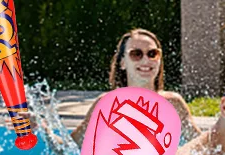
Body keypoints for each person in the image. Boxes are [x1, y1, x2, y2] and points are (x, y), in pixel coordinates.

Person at [71, 29, 199, 147]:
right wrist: (49, 131)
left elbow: (201, 147)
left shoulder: (172, 104)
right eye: (136, 54)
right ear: (122, 63)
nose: (145, 60)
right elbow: (71, 148)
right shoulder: (107, 105)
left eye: (152, 54)